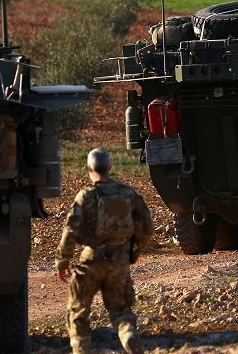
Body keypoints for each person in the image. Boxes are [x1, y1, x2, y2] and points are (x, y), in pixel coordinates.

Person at [56, 148, 153, 354]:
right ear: (110, 167)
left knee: (78, 310)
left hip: (91, 259)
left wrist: (62, 261)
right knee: (120, 310)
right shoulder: (128, 194)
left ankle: (81, 349)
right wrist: (134, 251)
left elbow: (70, 230)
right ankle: (128, 335)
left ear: (89, 169)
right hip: (119, 259)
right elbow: (147, 227)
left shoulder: (86, 195)